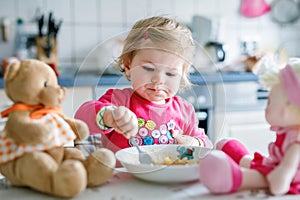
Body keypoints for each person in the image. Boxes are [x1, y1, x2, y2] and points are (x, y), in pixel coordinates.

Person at [75, 16, 213, 153]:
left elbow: (206, 144)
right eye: (149, 68)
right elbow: (81, 118)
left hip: (169, 175)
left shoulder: (185, 110)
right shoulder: (119, 100)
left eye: (171, 74)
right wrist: (109, 117)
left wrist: (195, 142)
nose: (158, 80)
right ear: (128, 65)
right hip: (122, 175)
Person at [199, 57, 300, 195]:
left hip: (282, 176)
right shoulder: (288, 131)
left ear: (287, 110)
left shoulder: (297, 142)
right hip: (274, 164)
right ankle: (242, 158)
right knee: (256, 162)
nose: (266, 107)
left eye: (269, 101)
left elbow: (286, 170)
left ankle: (238, 178)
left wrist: (280, 179)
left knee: (262, 176)